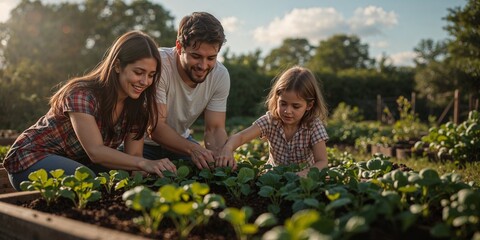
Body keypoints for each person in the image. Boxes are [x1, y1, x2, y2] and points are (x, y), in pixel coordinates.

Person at [3, 30, 177, 191]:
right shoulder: (82, 94)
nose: (145, 81)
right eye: (139, 72)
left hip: (76, 162)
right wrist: (144, 163)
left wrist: (141, 187)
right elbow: (96, 152)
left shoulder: (137, 108)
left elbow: (135, 157)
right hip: (31, 160)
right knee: (88, 180)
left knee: (112, 179)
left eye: (151, 75)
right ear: (117, 66)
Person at [144, 12, 234, 170]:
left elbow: (215, 129)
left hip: (181, 141)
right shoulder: (158, 64)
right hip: (142, 143)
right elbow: (156, 127)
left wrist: (219, 159)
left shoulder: (220, 75)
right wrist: (194, 149)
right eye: (196, 56)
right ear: (179, 47)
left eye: (211, 58)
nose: (203, 65)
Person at [217, 66, 329, 177]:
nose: (287, 111)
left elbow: (322, 161)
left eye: (296, 106)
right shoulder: (270, 120)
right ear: (277, 99)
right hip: (272, 178)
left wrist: (302, 174)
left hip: (303, 181)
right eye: (283, 103)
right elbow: (241, 136)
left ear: (309, 105)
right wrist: (228, 149)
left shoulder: (313, 125)